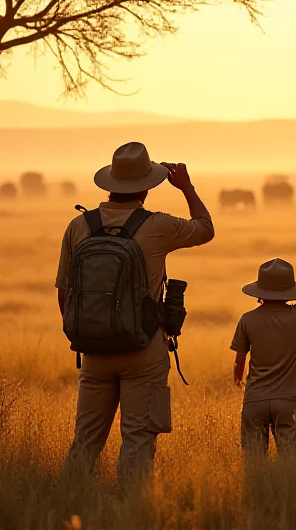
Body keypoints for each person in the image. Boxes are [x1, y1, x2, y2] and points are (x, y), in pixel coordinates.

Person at [56, 142, 215, 486]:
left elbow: (63, 293)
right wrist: (186, 186)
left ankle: (68, 505)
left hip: (94, 352)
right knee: (138, 438)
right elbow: (205, 228)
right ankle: (130, 512)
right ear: (147, 187)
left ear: (110, 183)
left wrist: (87, 333)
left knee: (84, 442)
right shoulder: (158, 225)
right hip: (144, 349)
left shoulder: (78, 226)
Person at [231, 258, 296, 461]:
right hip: (288, 400)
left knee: (254, 461)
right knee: (292, 461)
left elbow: (239, 360)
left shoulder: (247, 319)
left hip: (255, 398)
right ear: (290, 291)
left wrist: (238, 380)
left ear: (260, 291)